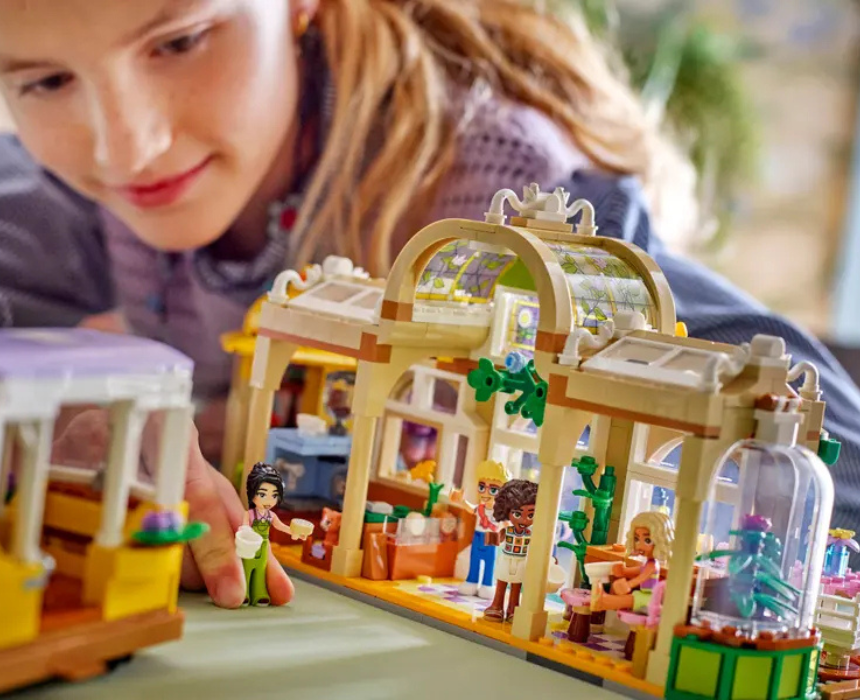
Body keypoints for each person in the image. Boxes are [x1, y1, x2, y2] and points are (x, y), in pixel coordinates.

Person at [0, 0, 857, 610]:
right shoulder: (64, 197)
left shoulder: (509, 203)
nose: (129, 146)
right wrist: (42, 416)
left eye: (181, 39)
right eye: (43, 80)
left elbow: (837, 459)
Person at [592, 510, 674, 612]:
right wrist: (624, 571)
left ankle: (604, 601)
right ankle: (604, 600)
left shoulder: (653, 565)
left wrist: (629, 584)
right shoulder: (648, 563)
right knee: (632, 597)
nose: (639, 545)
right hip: (645, 595)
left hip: (650, 598)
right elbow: (639, 570)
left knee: (629, 599)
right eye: (636, 539)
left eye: (647, 540)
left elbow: (641, 578)